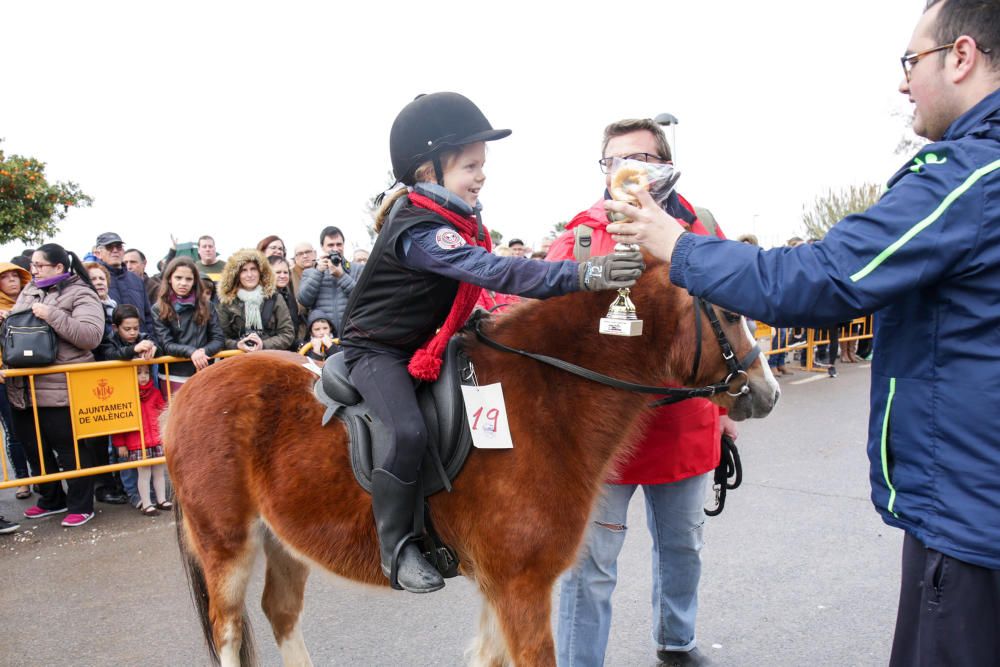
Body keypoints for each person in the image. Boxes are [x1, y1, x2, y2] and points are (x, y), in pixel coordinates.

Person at [606, 2, 1000, 663]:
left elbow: (825, 277)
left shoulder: (971, 177)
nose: (904, 83)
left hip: (970, 520)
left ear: (960, 57)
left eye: (912, 61)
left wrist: (678, 245)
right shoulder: (579, 236)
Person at [339, 91, 643, 594]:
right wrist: (586, 273)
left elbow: (469, 288)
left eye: (482, 165)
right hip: (377, 350)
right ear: (428, 172)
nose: (481, 175)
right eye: (470, 166)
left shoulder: (459, 220)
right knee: (409, 433)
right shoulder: (418, 229)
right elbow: (492, 268)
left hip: (430, 339)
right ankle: (396, 548)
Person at [549, 117, 734, 667]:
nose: (625, 170)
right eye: (613, 161)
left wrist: (727, 411)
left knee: (683, 548)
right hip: (601, 437)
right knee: (590, 566)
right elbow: (547, 329)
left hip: (684, 422)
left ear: (665, 166)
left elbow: (730, 319)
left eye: (640, 159)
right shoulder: (579, 236)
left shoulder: (699, 230)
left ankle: (676, 643)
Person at [6, 243, 105, 528]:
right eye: (32, 266)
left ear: (59, 267)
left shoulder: (82, 293)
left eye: (39, 265)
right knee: (34, 448)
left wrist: (52, 315)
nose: (33, 271)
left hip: (61, 387)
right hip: (24, 386)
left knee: (70, 450)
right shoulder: (30, 290)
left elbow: (90, 336)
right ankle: (51, 499)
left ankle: (81, 505)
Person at [152, 257, 225, 392]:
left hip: (205, 372)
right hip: (174, 375)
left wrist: (203, 351)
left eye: (188, 279)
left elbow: (218, 338)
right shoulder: (159, 308)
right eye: (178, 278)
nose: (183, 283)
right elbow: (166, 344)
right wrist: (191, 352)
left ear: (194, 281)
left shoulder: (207, 305)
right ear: (169, 279)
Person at [112, 364, 170, 516]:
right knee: (143, 475)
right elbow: (120, 422)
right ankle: (146, 503)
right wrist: (120, 444)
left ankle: (161, 499)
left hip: (156, 440)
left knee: (159, 472)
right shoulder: (126, 397)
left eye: (146, 373)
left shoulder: (155, 393)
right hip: (137, 443)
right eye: (139, 373)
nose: (143, 376)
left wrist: (165, 434)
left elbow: (163, 414)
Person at [217, 249, 295, 353]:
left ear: (261, 272)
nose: (249, 275)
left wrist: (263, 344)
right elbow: (220, 337)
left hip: (271, 357)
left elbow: (287, 334)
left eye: (253, 269)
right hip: (237, 358)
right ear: (236, 274)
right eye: (244, 270)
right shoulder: (227, 302)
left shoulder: (275, 298)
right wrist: (237, 345)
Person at [0, 261, 33, 500]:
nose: (12, 280)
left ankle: (42, 480)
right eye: (5, 277)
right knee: (14, 432)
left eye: (15, 275)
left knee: (34, 431)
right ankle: (22, 479)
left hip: (30, 374)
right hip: (4, 377)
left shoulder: (30, 304)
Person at [298, 226, 358, 332]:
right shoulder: (310, 272)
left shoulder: (357, 269)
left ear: (344, 245)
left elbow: (363, 299)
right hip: (324, 336)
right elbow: (304, 301)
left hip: (353, 333)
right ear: (322, 247)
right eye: (330, 245)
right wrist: (318, 272)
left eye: (339, 244)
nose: (335, 249)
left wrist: (341, 276)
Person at [95, 232, 155, 337]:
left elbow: (148, 316)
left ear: (123, 251)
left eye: (118, 247)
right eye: (109, 247)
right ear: (98, 253)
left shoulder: (136, 280)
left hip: (143, 345)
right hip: (112, 348)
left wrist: (153, 342)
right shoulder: (95, 280)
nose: (115, 251)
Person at [268, 255, 305, 348]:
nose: (283, 276)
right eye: (278, 272)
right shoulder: (262, 299)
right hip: (269, 351)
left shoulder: (289, 296)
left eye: (286, 272)